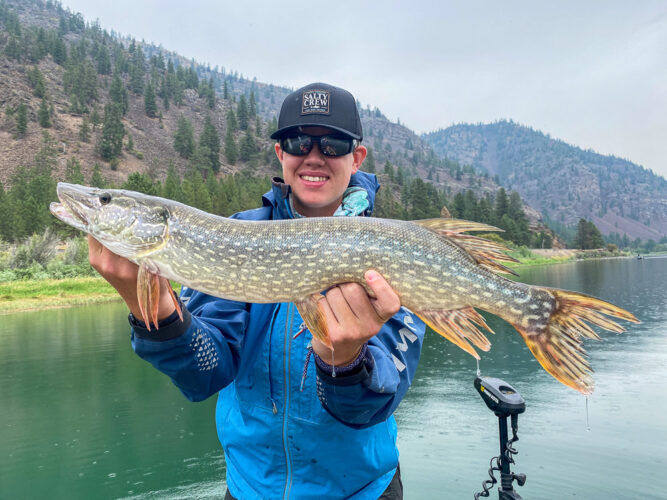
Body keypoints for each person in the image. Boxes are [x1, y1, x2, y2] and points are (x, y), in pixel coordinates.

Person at [89, 82, 425, 499]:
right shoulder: (235, 235)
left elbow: (371, 407)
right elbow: (205, 372)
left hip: (363, 491)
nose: (314, 156)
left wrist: (347, 362)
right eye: (298, 141)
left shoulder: (394, 252)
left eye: (333, 144)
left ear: (356, 158)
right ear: (281, 152)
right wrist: (154, 311)